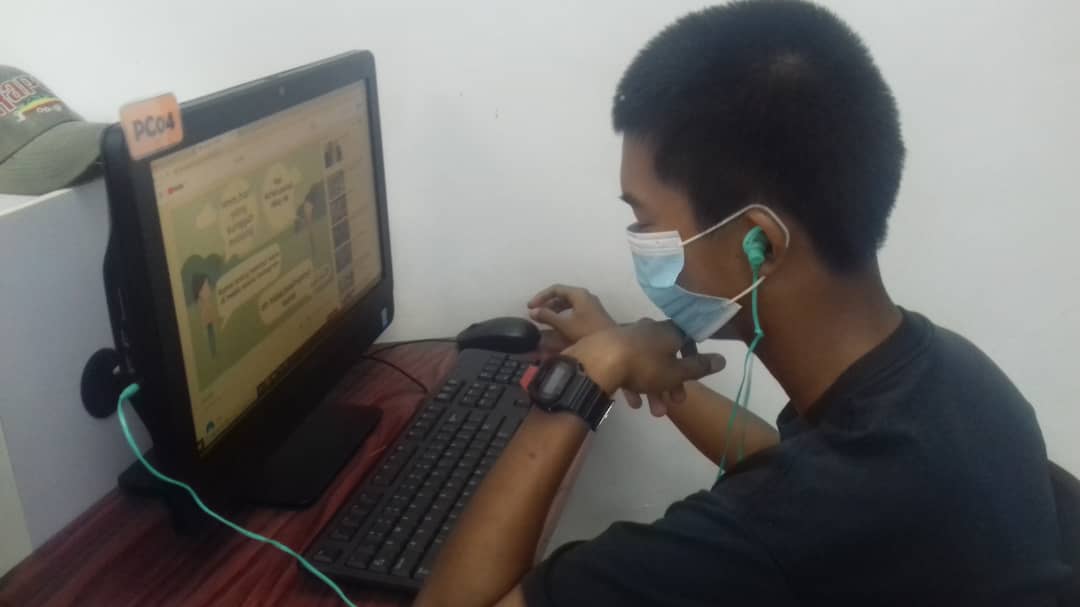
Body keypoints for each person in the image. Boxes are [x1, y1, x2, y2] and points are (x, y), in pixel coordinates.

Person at [417, 1, 1070, 605]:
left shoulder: (779, 533)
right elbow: (780, 463)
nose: (638, 240)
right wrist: (637, 360)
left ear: (758, 243)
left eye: (645, 221)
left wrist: (592, 367)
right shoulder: (953, 378)